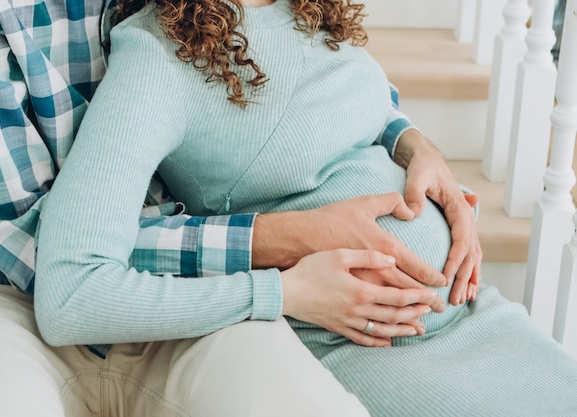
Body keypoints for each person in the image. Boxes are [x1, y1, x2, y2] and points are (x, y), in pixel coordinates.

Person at [34, 0, 577, 416]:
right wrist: (276, 292)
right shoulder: (156, 57)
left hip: (476, 313)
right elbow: (71, 292)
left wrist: (417, 146)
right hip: (369, 348)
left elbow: (354, 110)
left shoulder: (308, 11)